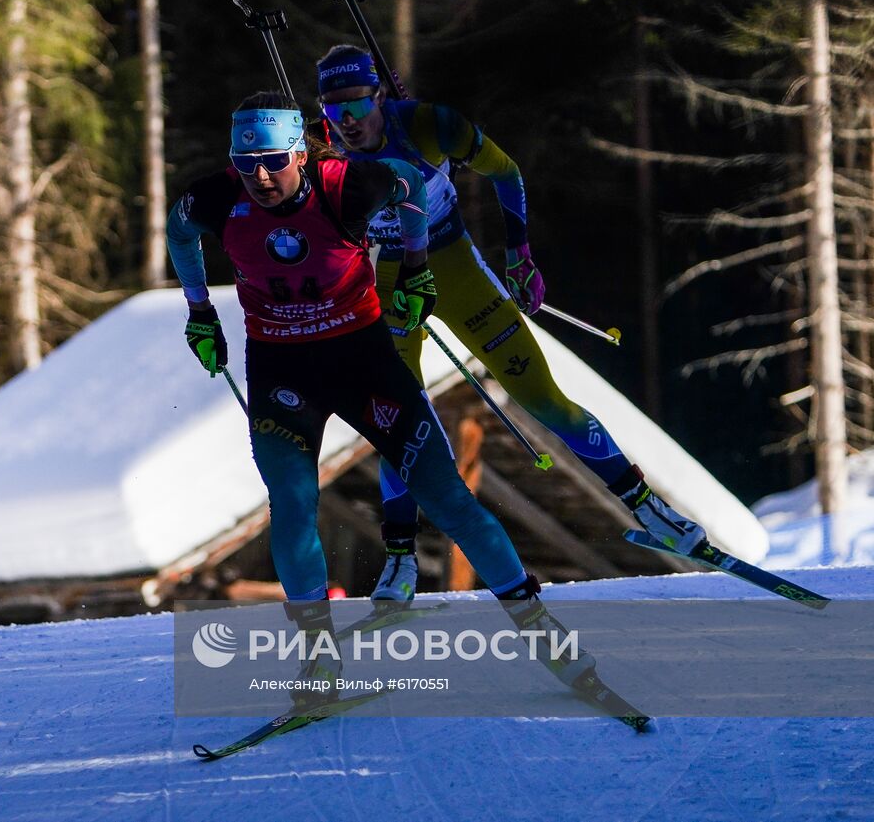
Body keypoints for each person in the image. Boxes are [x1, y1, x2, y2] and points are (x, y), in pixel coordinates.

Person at [166, 90, 545, 706]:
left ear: (298, 152)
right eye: (245, 163)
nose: (259, 176)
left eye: (271, 161)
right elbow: (178, 233)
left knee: (446, 497)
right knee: (291, 506)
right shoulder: (216, 198)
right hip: (283, 376)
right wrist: (199, 312)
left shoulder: (345, 185)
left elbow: (412, 184)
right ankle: (318, 662)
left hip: (366, 364)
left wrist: (417, 266)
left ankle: (537, 627)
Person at [314, 44, 707, 602]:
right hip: (390, 282)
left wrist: (519, 254)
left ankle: (649, 507)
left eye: (354, 105)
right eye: (333, 111)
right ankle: (400, 559)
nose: (346, 122)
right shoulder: (321, 154)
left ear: (378, 94)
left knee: (543, 397)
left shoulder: (429, 124)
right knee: (398, 423)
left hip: (452, 264)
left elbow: (506, 171)